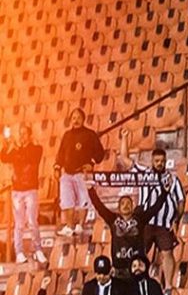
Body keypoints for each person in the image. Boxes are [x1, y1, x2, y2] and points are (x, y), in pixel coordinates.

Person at [126, 146, 185, 288]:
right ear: (152, 161)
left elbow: (181, 200)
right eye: (157, 161)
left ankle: (169, 285)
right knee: (139, 254)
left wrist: (176, 219)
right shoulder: (144, 174)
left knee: (168, 253)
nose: (160, 163)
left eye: (162, 161)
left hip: (164, 223)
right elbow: (125, 160)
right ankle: (137, 281)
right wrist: (125, 139)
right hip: (145, 222)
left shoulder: (173, 179)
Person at [86, 182, 165, 277]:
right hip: (119, 269)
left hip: (137, 268)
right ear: (118, 208)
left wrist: (165, 192)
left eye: (128, 203)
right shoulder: (112, 220)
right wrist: (90, 190)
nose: (125, 205)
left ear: (132, 207)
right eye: (122, 203)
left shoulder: (140, 219)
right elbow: (99, 207)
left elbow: (155, 208)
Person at [55, 108, 105, 236]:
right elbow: (60, 154)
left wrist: (92, 163)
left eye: (78, 117)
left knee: (84, 199)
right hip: (67, 173)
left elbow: (100, 153)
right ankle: (69, 226)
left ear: (83, 119)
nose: (75, 120)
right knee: (66, 200)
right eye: (73, 118)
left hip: (82, 173)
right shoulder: (67, 135)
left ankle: (80, 225)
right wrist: (57, 167)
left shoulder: (90, 134)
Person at [1, 124, 45, 264]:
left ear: (30, 135)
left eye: (25, 133)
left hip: (31, 189)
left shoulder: (35, 149)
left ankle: (38, 249)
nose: (22, 136)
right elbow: (3, 157)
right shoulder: (15, 150)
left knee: (32, 221)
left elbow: (32, 157)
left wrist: (16, 147)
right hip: (17, 191)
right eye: (20, 134)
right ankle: (19, 251)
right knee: (19, 224)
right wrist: (6, 144)